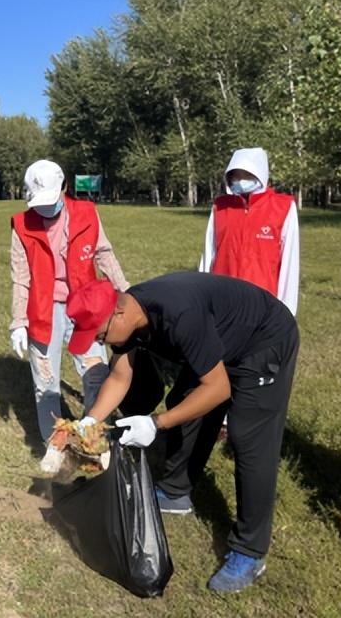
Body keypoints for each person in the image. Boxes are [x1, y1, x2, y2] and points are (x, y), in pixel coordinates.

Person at [66, 273, 300, 592]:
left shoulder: (177, 316)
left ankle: (250, 551)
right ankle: (176, 492)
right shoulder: (131, 318)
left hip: (262, 340)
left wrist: (156, 423)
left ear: (118, 313)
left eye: (100, 335)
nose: (100, 343)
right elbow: (120, 377)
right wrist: (90, 421)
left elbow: (218, 389)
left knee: (249, 438)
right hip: (218, 338)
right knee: (183, 401)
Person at [8, 159, 129, 473]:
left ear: (64, 189)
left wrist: (125, 291)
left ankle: (94, 441)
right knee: (46, 383)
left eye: (51, 201)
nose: (45, 210)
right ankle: (55, 446)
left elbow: (104, 253)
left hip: (86, 307)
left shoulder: (87, 213)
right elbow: (21, 276)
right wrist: (18, 321)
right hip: (44, 310)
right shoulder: (22, 224)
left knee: (96, 375)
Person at [200, 147, 299, 316]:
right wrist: (201, 298)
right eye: (235, 175)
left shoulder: (282, 208)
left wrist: (286, 313)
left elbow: (290, 262)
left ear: (259, 174)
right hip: (221, 300)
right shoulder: (221, 207)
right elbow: (209, 255)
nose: (239, 180)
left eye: (246, 175)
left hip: (262, 303)